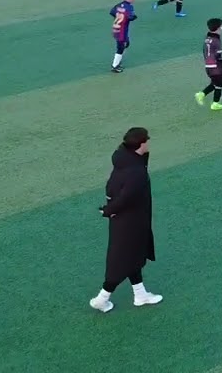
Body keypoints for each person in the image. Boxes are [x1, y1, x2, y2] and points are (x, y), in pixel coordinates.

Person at [90, 126, 163, 313]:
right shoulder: (136, 171)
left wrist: (110, 209)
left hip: (125, 219)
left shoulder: (125, 160)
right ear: (140, 144)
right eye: (147, 140)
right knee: (122, 259)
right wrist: (108, 210)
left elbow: (112, 188)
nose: (149, 142)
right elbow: (127, 196)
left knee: (133, 256)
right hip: (132, 221)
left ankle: (140, 294)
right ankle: (102, 297)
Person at [195, 17, 222, 111]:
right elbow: (218, 57)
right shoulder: (217, 41)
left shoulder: (207, 39)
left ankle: (201, 94)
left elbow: (204, 52)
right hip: (216, 67)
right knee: (219, 85)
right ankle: (215, 104)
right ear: (217, 28)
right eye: (221, 27)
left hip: (208, 67)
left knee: (217, 82)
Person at [109, 0, 138, 73]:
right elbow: (131, 17)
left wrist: (118, 16)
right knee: (121, 47)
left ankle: (118, 60)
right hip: (122, 30)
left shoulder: (118, 5)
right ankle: (115, 66)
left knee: (124, 43)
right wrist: (134, 17)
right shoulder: (129, 7)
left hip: (116, 28)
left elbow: (112, 12)